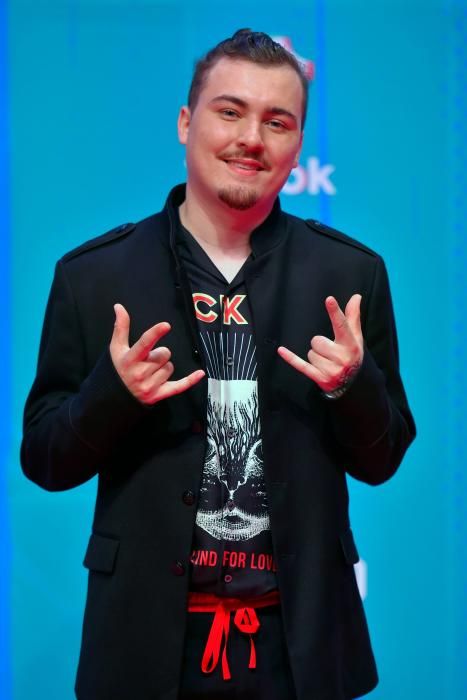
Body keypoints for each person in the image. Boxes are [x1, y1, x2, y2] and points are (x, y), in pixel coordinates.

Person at [21, 29, 415, 700]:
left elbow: (381, 460)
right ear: (185, 122)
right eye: (229, 111)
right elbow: (46, 461)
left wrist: (355, 386)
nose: (251, 138)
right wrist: (109, 395)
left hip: (300, 654)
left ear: (297, 143)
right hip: (143, 653)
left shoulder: (350, 275)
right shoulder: (94, 277)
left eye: (277, 121)